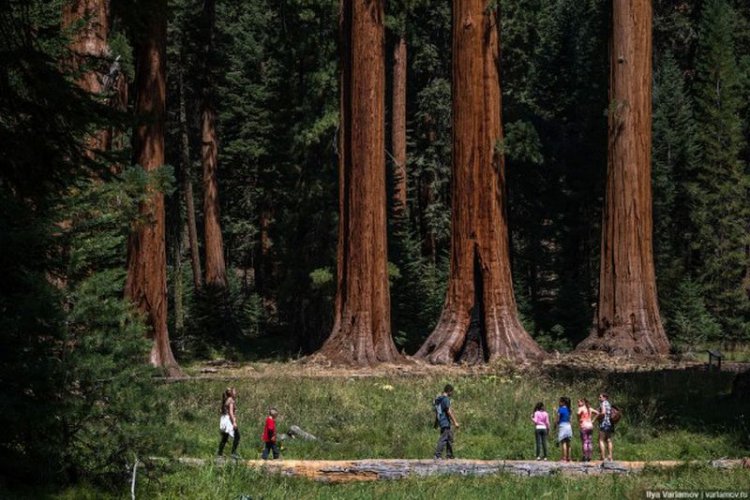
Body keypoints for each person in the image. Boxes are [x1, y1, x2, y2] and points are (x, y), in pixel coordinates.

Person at [433, 384, 460, 459]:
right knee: (444, 438)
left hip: (442, 422)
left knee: (449, 438)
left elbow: (438, 412)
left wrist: (436, 423)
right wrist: (455, 422)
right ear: (449, 391)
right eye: (452, 392)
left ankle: (450, 455)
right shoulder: (446, 399)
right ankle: (437, 455)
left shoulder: (440, 400)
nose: (452, 393)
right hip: (445, 422)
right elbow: (449, 411)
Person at [217, 387, 241, 459]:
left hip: (224, 419)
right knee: (237, 436)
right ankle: (233, 453)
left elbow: (221, 411)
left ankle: (219, 454)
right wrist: (233, 422)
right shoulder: (231, 400)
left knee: (225, 437)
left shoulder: (226, 399)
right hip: (229, 420)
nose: (236, 392)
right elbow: (230, 412)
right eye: (234, 391)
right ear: (231, 393)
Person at [598, 393, 615, 461]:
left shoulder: (603, 403)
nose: (599, 398)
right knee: (608, 440)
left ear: (604, 398)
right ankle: (610, 456)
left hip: (604, 423)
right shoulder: (608, 404)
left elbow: (603, 412)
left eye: (600, 397)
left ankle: (602, 456)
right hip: (609, 424)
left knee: (601, 440)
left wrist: (597, 416)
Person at [556, 396, 573, 462]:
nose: (559, 403)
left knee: (563, 442)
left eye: (560, 401)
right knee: (568, 443)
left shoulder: (560, 409)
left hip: (562, 426)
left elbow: (558, 419)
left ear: (563, 402)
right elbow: (570, 420)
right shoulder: (569, 410)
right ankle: (569, 458)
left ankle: (564, 458)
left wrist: (556, 424)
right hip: (568, 426)